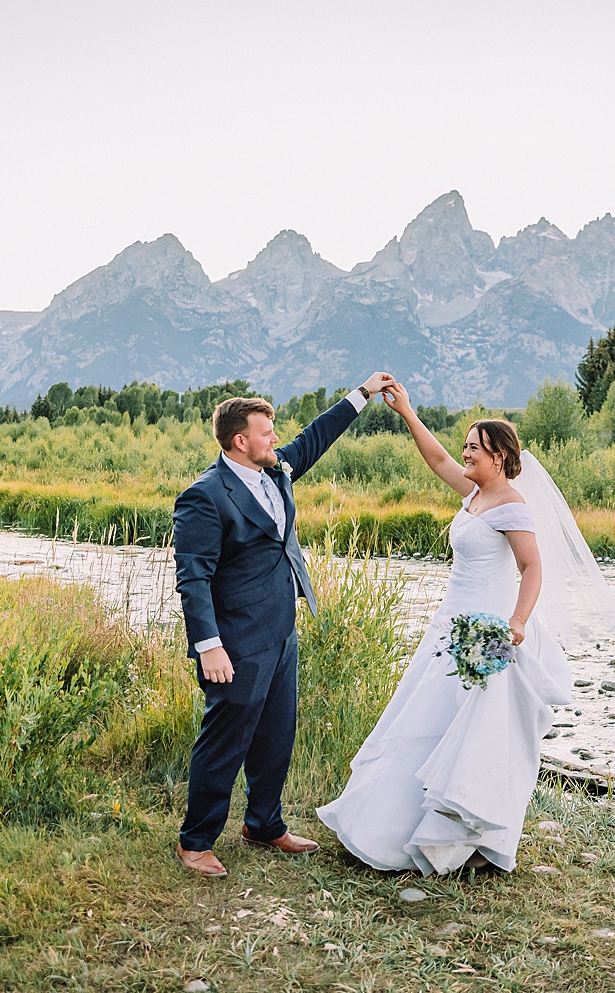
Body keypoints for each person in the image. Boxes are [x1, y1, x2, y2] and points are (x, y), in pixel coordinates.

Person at [318, 383, 615, 874]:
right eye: (466, 448)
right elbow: (438, 461)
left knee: (473, 734)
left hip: (485, 631)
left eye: (474, 449)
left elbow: (532, 568)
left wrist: (516, 623)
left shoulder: (512, 505)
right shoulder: (477, 493)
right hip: (448, 623)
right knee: (423, 720)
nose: (464, 455)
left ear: (499, 456)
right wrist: (408, 413)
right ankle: (396, 828)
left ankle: (464, 839)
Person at [172, 372, 396, 877]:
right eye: (266, 433)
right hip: (234, 638)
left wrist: (360, 395)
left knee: (277, 733)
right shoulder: (205, 496)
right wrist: (209, 645)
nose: (276, 440)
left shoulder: (275, 472)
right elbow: (194, 578)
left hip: (281, 628)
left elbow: (314, 437)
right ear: (239, 441)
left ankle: (264, 825)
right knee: (225, 738)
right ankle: (196, 841)